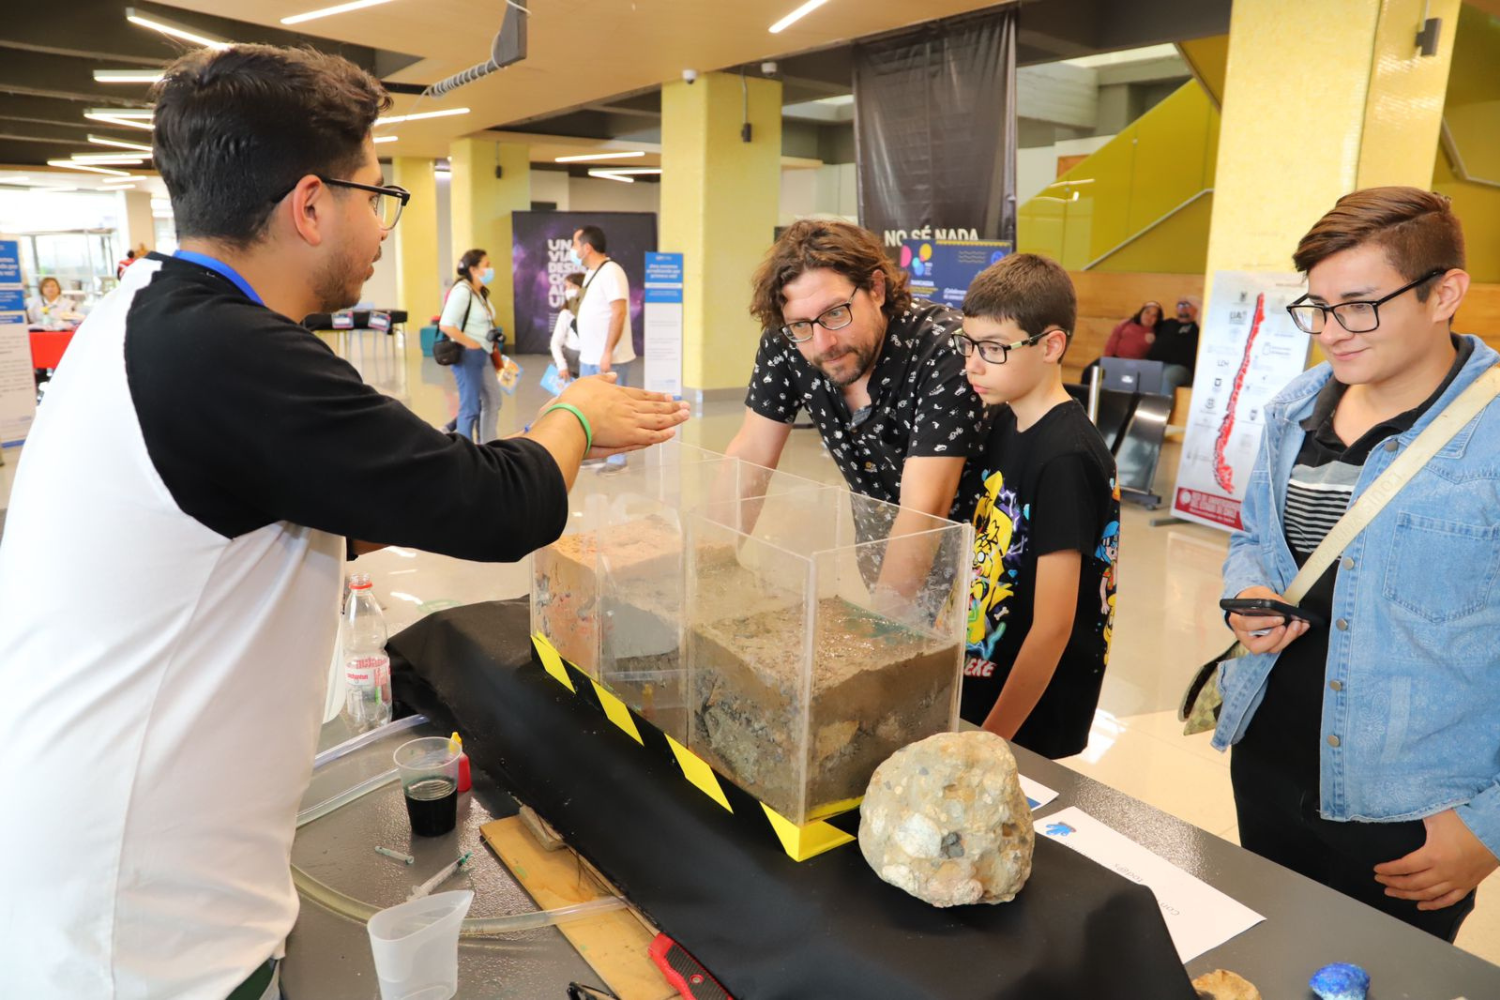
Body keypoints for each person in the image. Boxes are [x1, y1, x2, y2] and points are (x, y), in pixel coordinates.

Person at [0, 44, 688, 1000]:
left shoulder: (152, 317)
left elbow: (273, 510)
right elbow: (499, 507)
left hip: (107, 853)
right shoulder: (230, 354)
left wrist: (542, 451)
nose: (379, 223)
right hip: (147, 929)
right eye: (379, 194)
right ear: (312, 204)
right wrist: (574, 421)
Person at [1218, 186, 1498, 941]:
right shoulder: (1296, 407)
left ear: (1445, 293)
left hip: (1411, 804)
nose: (1332, 333)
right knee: (1272, 957)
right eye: (1317, 307)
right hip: (1268, 759)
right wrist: (1246, 586)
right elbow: (1253, 536)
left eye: (1360, 305)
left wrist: (1489, 827)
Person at [952, 253, 1119, 759]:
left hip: (1029, 715)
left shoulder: (1066, 456)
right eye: (969, 345)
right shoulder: (1003, 420)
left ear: (1051, 345)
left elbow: (1052, 626)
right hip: (984, 674)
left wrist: (989, 741)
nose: (973, 364)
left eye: (994, 349)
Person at [729, 219, 990, 527]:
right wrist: (713, 561)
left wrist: (893, 579)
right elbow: (751, 456)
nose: (824, 343)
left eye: (836, 312)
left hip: (977, 562)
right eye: (801, 324)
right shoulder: (789, 339)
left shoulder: (947, 349)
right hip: (876, 555)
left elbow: (925, 513)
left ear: (876, 289)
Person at [439, 248, 501, 442]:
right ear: (473, 269)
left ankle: (488, 447)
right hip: (468, 355)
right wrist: (471, 343)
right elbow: (446, 324)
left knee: (493, 401)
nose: (490, 269)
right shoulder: (463, 291)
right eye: (487, 265)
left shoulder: (479, 292)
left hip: (485, 353)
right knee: (470, 407)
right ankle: (464, 453)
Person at [571, 225, 634, 382]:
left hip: (609, 361)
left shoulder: (611, 271)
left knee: (611, 406)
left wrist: (607, 352)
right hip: (589, 359)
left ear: (587, 248)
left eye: (575, 244)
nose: (572, 249)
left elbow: (619, 313)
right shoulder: (591, 273)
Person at [1146, 294, 1200, 391]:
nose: (1183, 309)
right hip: (1156, 364)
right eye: (1180, 305)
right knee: (1136, 369)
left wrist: (1199, 305)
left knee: (1168, 376)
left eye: (1187, 305)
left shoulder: (1198, 327)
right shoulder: (1169, 323)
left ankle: (1162, 406)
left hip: (1181, 368)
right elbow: (1146, 322)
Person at [550, 271, 585, 380]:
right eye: (567, 287)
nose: (568, 290)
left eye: (572, 286)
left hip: (590, 360)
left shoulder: (592, 312)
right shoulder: (566, 314)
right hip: (571, 361)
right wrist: (562, 365)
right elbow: (555, 342)